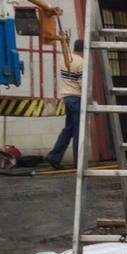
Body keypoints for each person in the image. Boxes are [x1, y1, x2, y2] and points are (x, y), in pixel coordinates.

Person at [45, 39, 84, 169]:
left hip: (66, 98)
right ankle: (79, 163)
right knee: (79, 131)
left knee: (68, 129)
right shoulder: (81, 63)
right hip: (77, 99)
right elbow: (83, 85)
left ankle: (54, 156)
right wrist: (92, 102)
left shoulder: (64, 59)